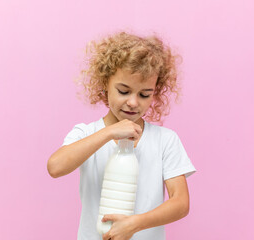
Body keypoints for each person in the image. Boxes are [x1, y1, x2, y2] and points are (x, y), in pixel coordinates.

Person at [47, 31, 197, 240]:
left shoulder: (165, 140)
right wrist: (109, 132)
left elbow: (181, 203)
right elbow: (55, 167)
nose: (134, 102)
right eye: (124, 91)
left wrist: (134, 224)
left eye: (144, 94)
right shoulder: (86, 133)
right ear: (105, 84)